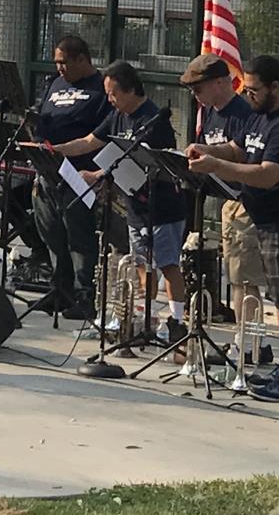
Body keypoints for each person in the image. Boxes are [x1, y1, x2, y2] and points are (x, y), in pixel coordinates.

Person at [186, 53, 279, 403]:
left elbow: (267, 173)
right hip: (269, 222)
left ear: (275, 87)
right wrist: (208, 149)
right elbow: (239, 148)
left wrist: (215, 165)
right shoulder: (260, 117)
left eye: (252, 89)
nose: (247, 95)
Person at [58, 62, 186, 344]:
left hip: (162, 206)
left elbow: (140, 162)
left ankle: (178, 320)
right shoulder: (117, 116)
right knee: (140, 263)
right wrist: (57, 151)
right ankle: (143, 316)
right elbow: (90, 141)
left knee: (167, 264)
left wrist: (98, 175)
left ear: (130, 89)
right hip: (135, 207)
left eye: (114, 93)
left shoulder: (153, 120)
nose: (110, 99)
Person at [182, 53, 264, 360]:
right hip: (225, 201)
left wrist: (208, 152)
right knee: (234, 275)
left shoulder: (242, 112)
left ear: (220, 82)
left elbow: (240, 151)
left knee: (245, 277)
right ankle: (245, 340)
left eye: (199, 88)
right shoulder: (212, 114)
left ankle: (251, 345)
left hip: (246, 201)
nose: (195, 95)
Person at [24, 34, 110, 321]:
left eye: (64, 63)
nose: (59, 68)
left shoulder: (100, 89)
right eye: (56, 63)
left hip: (80, 174)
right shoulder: (55, 84)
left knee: (79, 237)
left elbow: (102, 135)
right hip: (48, 171)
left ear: (82, 59)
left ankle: (84, 294)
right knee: (51, 233)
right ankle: (58, 290)